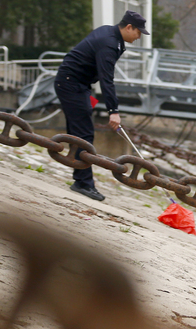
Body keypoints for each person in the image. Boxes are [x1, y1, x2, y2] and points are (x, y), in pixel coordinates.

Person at [54, 10, 147, 201]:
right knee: (84, 134)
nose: (139, 37)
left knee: (79, 128)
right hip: (72, 85)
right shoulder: (109, 43)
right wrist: (113, 111)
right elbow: (107, 79)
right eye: (138, 32)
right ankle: (83, 183)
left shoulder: (109, 33)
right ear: (129, 27)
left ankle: (79, 176)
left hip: (79, 86)